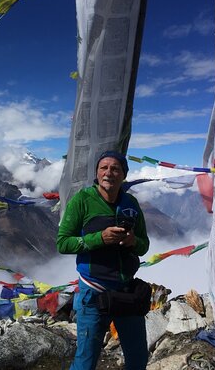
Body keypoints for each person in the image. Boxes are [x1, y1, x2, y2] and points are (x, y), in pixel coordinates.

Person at [57, 151, 150, 370]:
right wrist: (100, 238)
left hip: (127, 291)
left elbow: (144, 245)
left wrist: (132, 241)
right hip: (93, 291)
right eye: (104, 168)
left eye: (115, 168)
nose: (109, 172)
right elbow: (63, 243)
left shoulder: (131, 203)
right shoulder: (82, 200)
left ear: (123, 175)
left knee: (138, 359)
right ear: (97, 173)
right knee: (85, 362)